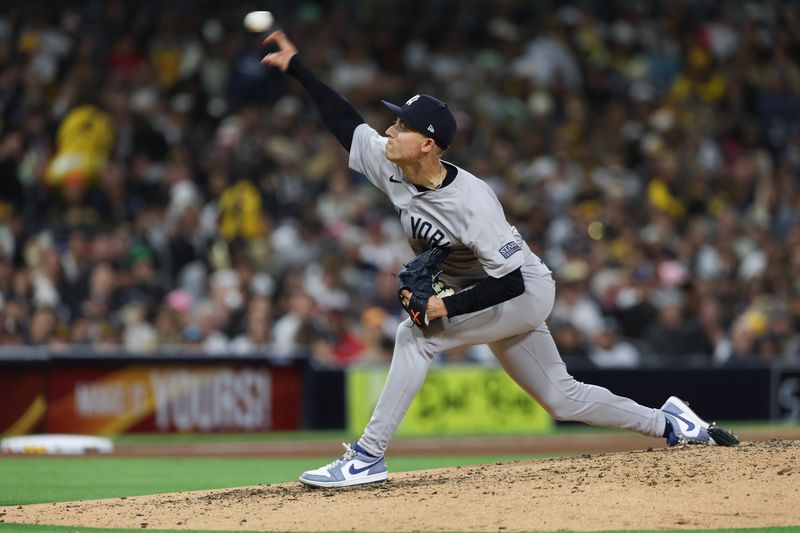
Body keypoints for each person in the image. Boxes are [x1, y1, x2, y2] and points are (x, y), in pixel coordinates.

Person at [260, 31, 738, 489]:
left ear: (428, 144)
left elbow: (509, 282)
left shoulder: (472, 201)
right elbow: (345, 122)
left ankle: (367, 457)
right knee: (561, 397)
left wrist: (445, 308)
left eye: (402, 125)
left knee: (416, 334)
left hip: (524, 289)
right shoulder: (390, 162)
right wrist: (297, 68)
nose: (390, 129)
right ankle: (673, 424)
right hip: (491, 291)